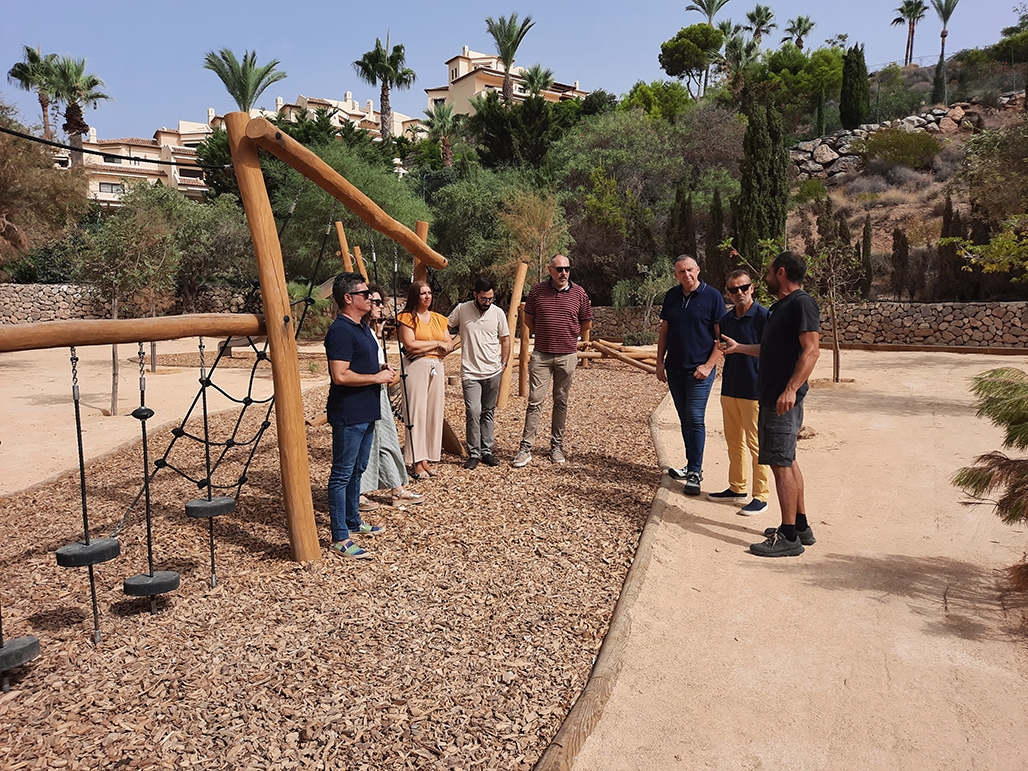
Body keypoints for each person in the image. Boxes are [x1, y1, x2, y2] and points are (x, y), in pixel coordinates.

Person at [722, 251, 821, 557]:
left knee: (780, 464)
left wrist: (790, 390)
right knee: (787, 460)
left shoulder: (801, 303)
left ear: (780, 272)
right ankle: (801, 526)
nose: (764, 277)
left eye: (767, 272)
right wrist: (740, 349)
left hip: (782, 399)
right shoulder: (782, 307)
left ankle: (788, 535)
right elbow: (772, 349)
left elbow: (812, 351)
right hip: (772, 396)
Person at [324, 272, 393, 560]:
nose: (371, 298)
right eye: (365, 294)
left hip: (366, 409)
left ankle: (353, 520)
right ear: (348, 298)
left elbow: (361, 363)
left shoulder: (363, 327)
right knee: (342, 473)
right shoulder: (340, 330)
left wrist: (379, 367)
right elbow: (340, 375)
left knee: (358, 469)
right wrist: (377, 377)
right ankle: (340, 535)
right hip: (349, 411)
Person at [512, 254, 593, 468]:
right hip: (541, 355)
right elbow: (529, 319)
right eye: (559, 269)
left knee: (561, 401)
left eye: (567, 269)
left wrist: (569, 334)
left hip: (567, 355)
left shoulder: (579, 293)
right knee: (535, 401)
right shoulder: (537, 291)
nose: (563, 273)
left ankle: (556, 446)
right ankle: (525, 448)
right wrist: (544, 333)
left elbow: (586, 323)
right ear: (550, 270)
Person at [655, 254, 723, 496]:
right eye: (681, 272)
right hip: (675, 368)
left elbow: (720, 338)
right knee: (685, 419)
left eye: (690, 270)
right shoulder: (672, 296)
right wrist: (659, 363)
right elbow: (665, 331)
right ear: (676, 275)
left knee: (694, 418)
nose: (687, 275)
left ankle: (695, 471)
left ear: (698, 270)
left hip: (699, 372)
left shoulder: (712, 296)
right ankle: (689, 464)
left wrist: (708, 365)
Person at [709, 269, 771, 515]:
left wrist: (739, 348)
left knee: (756, 445)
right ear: (728, 293)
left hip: (755, 389)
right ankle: (737, 487)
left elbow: (770, 349)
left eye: (743, 288)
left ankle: (761, 495)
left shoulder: (765, 317)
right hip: (730, 387)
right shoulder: (726, 320)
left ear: (752, 288)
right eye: (733, 290)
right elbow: (724, 348)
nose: (739, 293)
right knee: (734, 442)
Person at [360, 285, 424, 506]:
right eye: (375, 302)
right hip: (363, 394)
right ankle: (359, 492)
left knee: (387, 439)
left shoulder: (369, 331)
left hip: (377, 390)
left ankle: (397, 489)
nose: (379, 307)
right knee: (363, 445)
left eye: (380, 302)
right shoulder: (355, 330)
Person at [448, 278, 511, 470]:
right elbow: (446, 325)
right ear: (475, 294)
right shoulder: (462, 309)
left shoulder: (498, 313)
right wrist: (446, 343)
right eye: (484, 298)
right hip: (470, 372)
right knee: (473, 411)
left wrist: (504, 364)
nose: (487, 302)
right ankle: (473, 453)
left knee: (488, 412)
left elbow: (505, 339)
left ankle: (487, 451)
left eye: (491, 298)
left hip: (493, 371)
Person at [396, 280, 453, 480]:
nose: (427, 296)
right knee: (416, 413)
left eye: (429, 292)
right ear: (415, 296)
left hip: (436, 366)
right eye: (423, 293)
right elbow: (410, 345)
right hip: (415, 367)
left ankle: (426, 459)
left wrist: (428, 346)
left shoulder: (440, 319)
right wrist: (436, 344)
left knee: (433, 413)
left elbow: (450, 345)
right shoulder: (406, 318)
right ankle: (415, 460)